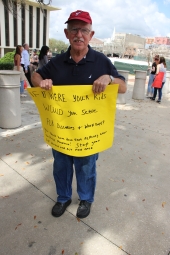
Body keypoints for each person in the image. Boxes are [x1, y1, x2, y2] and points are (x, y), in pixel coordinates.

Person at [31, 10, 126, 219]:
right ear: (66, 33)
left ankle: (85, 199)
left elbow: (123, 86)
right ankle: (63, 197)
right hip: (62, 131)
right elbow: (35, 75)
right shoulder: (56, 62)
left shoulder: (101, 61)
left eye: (84, 29)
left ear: (91, 35)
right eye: (74, 29)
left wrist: (109, 78)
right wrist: (41, 82)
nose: (79, 34)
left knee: (86, 167)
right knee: (61, 166)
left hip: (89, 134)